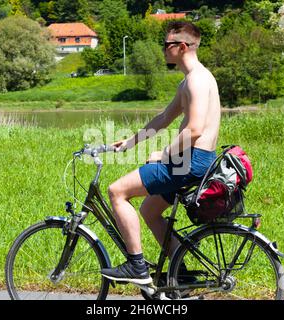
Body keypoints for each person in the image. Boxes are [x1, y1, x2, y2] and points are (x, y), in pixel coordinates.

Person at [101, 21, 221, 285]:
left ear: (181, 46)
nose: (163, 50)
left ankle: (136, 267)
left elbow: (194, 130)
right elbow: (164, 117)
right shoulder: (191, 80)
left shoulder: (197, 82)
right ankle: (183, 273)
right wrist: (131, 142)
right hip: (192, 160)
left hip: (190, 161)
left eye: (166, 45)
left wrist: (164, 155)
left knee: (117, 191)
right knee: (149, 211)